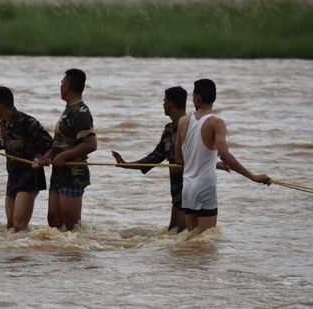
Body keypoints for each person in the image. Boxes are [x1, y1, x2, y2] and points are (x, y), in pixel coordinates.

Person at [174, 78, 271, 234]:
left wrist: (211, 163)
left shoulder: (183, 121)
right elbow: (225, 155)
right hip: (205, 187)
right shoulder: (216, 123)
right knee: (206, 244)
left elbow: (179, 160)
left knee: (191, 242)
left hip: (188, 188)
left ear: (197, 98)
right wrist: (253, 177)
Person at [111, 86, 188, 233]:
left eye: (164, 100)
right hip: (177, 193)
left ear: (171, 103)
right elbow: (154, 158)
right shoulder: (168, 130)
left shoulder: (192, 127)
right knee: (174, 234)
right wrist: (125, 164)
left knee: (183, 234)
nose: (163, 104)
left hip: (190, 191)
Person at [0, 86, 53, 232]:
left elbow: (51, 145)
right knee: (10, 226)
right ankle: (19, 253)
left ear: (0, 106)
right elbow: (7, 143)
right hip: (13, 177)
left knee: (19, 225)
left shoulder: (28, 122)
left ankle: (31, 250)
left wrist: (39, 159)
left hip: (30, 176)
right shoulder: (4, 123)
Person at [34, 68, 97, 231]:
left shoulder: (81, 112)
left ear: (67, 87)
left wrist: (63, 157)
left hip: (73, 173)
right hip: (59, 173)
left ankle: (75, 256)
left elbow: (90, 144)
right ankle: (61, 256)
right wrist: (44, 158)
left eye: (61, 83)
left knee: (71, 224)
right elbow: (60, 143)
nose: (60, 87)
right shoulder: (67, 110)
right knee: (53, 220)